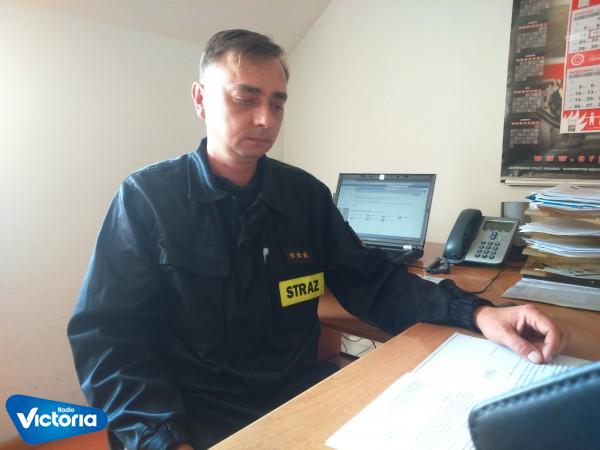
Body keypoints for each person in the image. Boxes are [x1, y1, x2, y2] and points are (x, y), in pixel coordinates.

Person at [68, 29, 565, 450]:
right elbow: (107, 338)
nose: (265, 119)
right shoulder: (147, 198)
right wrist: (161, 439)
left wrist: (480, 314)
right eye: (245, 98)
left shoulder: (303, 195)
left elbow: (372, 280)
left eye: (277, 102)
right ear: (200, 99)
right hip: (196, 416)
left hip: (298, 399)